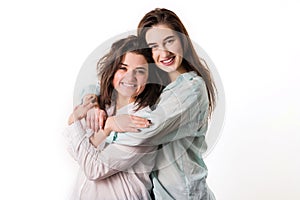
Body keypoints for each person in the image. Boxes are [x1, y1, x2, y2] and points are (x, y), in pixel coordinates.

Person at [81, 8, 217, 199]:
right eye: (154, 46)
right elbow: (99, 84)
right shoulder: (156, 82)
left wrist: (109, 125)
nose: (163, 53)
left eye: (169, 41)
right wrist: (93, 102)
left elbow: (145, 130)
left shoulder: (190, 89)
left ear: (182, 41)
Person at [64, 35, 169, 200]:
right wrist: (105, 126)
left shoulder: (143, 121)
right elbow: (74, 151)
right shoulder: (104, 107)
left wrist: (74, 121)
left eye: (140, 71)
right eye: (123, 68)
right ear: (112, 70)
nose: (130, 77)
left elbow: (93, 168)